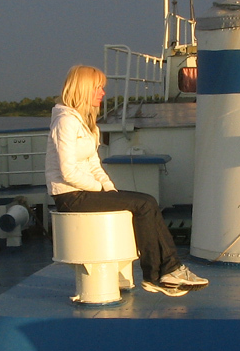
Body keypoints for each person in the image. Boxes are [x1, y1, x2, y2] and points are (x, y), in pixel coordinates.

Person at [46, 64, 208, 297]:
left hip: (86, 192)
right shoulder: (65, 121)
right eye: (98, 88)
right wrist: (99, 189)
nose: (102, 93)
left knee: (147, 201)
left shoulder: (86, 123)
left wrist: (110, 189)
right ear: (83, 89)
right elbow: (67, 171)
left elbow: (94, 164)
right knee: (144, 204)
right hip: (69, 196)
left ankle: (166, 271)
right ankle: (162, 272)